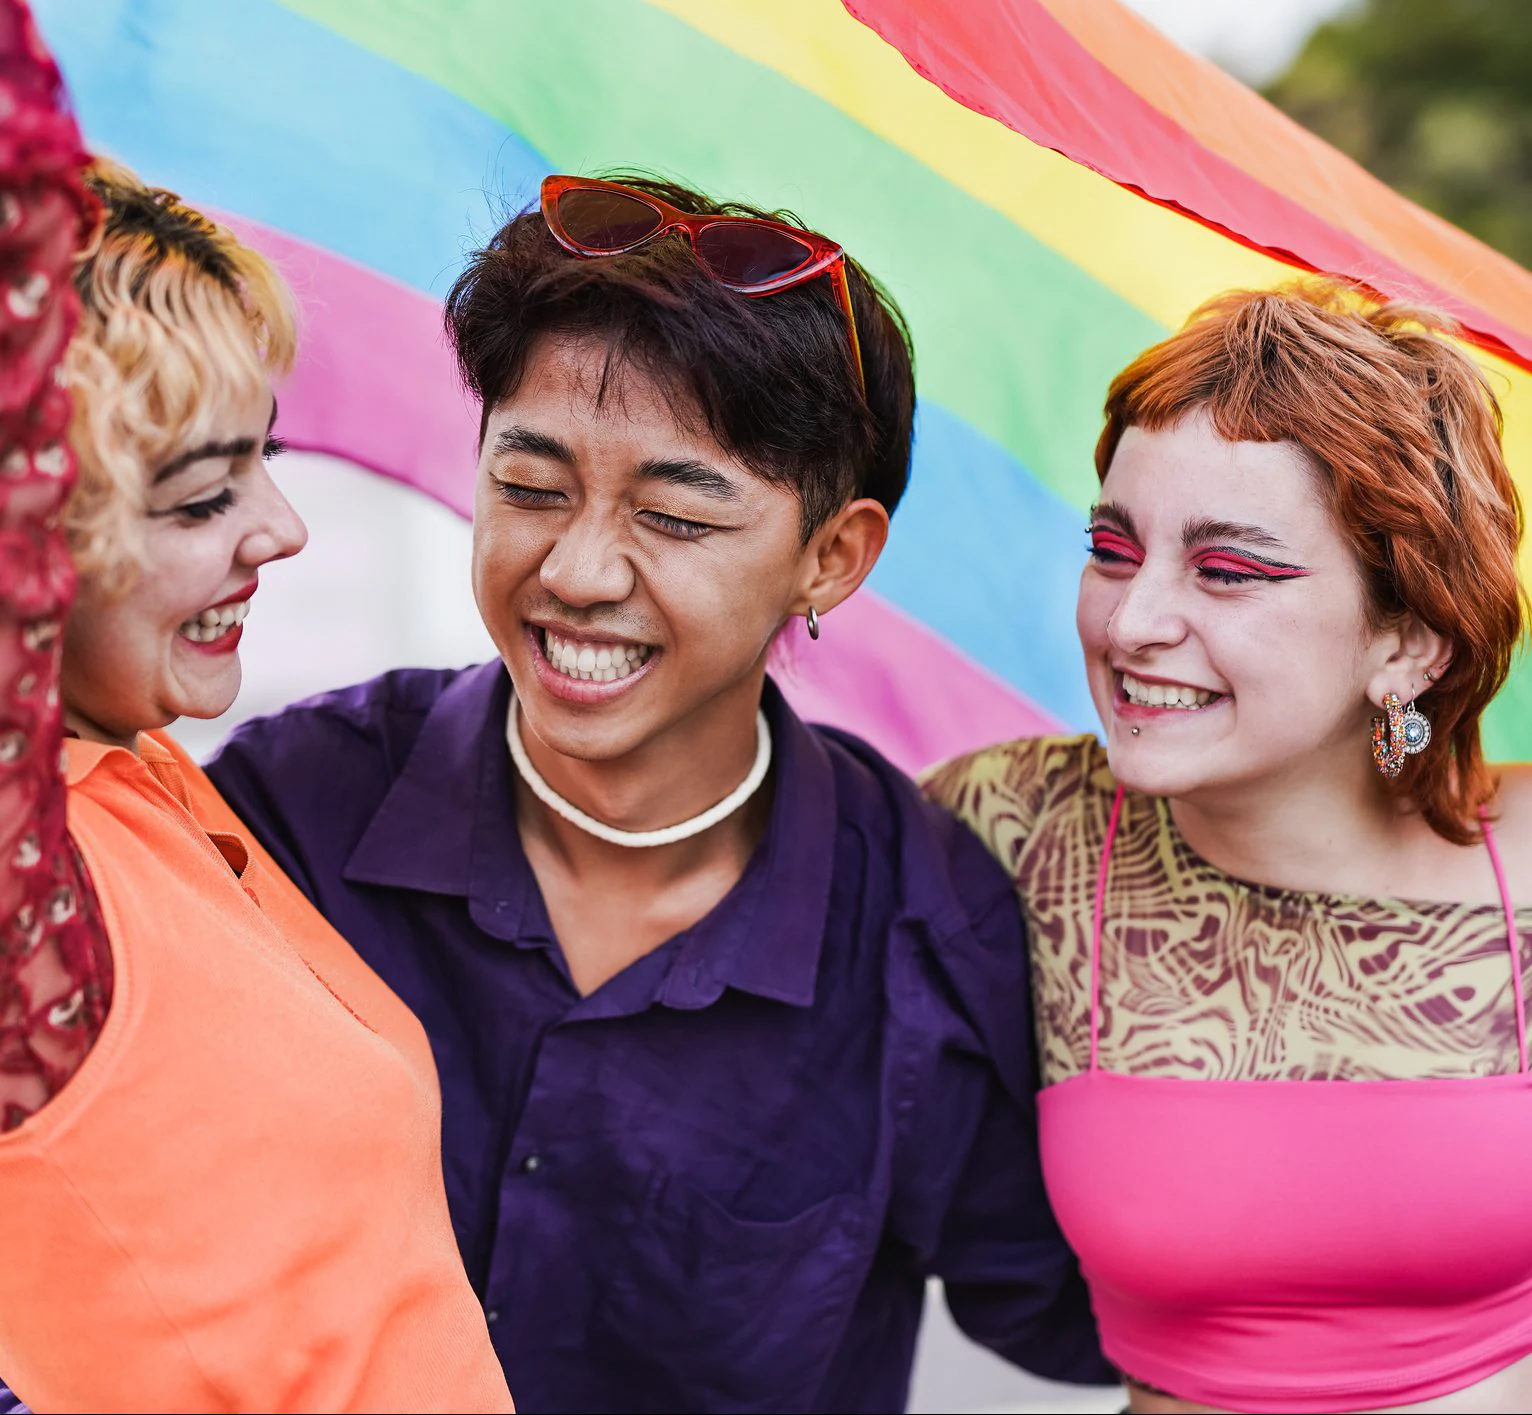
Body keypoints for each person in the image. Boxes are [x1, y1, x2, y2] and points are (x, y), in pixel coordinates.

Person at [206, 173, 1110, 1412]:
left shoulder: (926, 933)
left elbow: (1099, 1321)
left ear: (831, 556)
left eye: (676, 516)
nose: (577, 571)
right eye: (530, 489)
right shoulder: (288, 817)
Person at [925, 281, 1532, 1413]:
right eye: (1112, 548)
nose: (1130, 621)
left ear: (1409, 641)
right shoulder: (1012, 825)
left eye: (1228, 571)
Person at [0, 90, 511, 1413]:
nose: (281, 526)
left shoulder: (142, 770)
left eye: (262, 458)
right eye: (198, 497)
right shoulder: (33, 871)